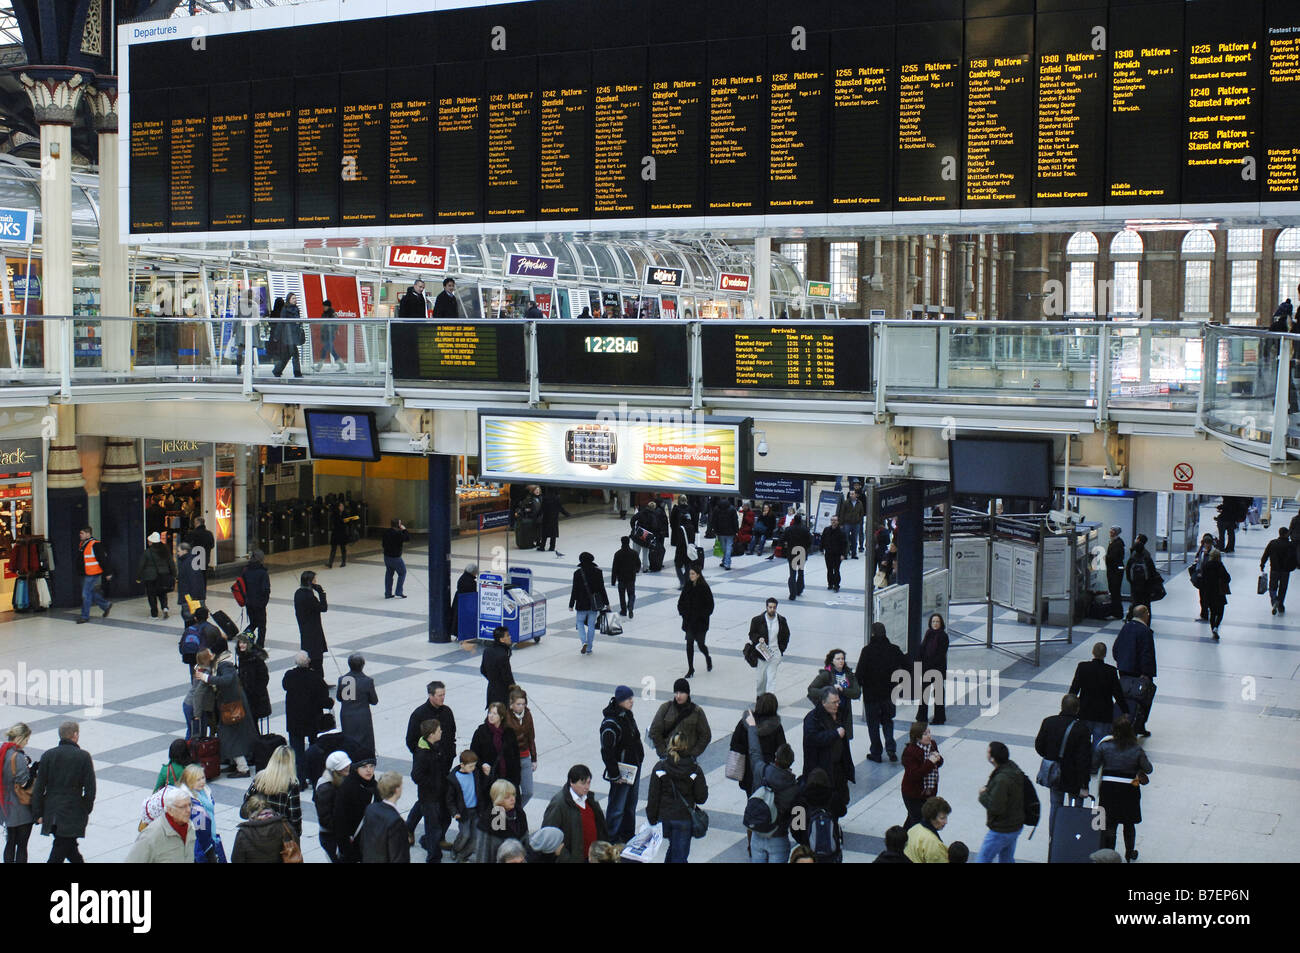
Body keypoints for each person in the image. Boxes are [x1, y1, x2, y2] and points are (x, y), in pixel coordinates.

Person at [29, 720, 96, 863]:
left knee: (69, 848)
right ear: (75, 735)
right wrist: (86, 809)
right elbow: (90, 789)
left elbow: (39, 787)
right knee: (60, 851)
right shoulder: (83, 756)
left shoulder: (48, 755)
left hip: (51, 811)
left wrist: (37, 813)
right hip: (73, 811)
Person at [1093, 714, 1153, 863]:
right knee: (1129, 823)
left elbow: (1094, 766)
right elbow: (1149, 769)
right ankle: (1129, 853)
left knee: (1110, 824)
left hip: (1108, 788)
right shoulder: (1136, 749)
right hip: (1130, 789)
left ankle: (1110, 854)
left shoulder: (1104, 746)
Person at [742, 710, 798, 863]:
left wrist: (752, 727)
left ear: (775, 757)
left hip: (758, 835)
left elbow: (754, 751)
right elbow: (796, 819)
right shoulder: (794, 787)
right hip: (778, 837)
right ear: (790, 763)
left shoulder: (761, 770)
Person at [1034, 695, 1093, 839]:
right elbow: (1084, 759)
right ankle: (1072, 837)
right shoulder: (1082, 729)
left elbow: (1039, 746)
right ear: (1077, 709)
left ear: (1061, 706)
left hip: (1055, 772)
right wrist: (1084, 784)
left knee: (1055, 805)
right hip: (1074, 776)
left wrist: (1050, 756)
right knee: (1076, 808)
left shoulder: (1048, 722)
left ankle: (1054, 838)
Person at [646, 733, 708, 863]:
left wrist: (652, 819)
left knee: (674, 850)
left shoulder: (660, 767)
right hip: (684, 819)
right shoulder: (695, 769)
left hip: (665, 818)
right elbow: (701, 798)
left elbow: (653, 796)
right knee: (679, 856)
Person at [599, 685, 644, 843]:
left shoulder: (627, 715)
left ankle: (627, 835)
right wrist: (614, 774)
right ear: (620, 701)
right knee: (617, 806)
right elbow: (607, 751)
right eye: (628, 699)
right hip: (622, 771)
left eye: (632, 698)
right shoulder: (611, 723)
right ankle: (611, 838)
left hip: (633, 768)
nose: (632, 701)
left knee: (631, 804)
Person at [283, 651, 334, 789]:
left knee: (297, 752)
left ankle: (300, 780)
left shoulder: (289, 676)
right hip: (312, 721)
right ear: (309, 662)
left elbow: (285, 686)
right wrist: (330, 702)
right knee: (314, 750)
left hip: (295, 721)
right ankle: (314, 776)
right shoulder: (315, 677)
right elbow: (323, 699)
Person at [857, 622, 906, 763]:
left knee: (873, 724)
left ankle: (876, 752)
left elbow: (860, 673)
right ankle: (891, 748)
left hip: (871, 695)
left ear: (872, 634)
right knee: (888, 721)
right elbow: (907, 665)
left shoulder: (867, 651)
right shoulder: (894, 649)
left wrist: (859, 687)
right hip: (889, 694)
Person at [801, 686, 854, 818]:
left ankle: (834, 821)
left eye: (838, 701)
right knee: (825, 800)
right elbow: (813, 739)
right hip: (822, 768)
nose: (837, 705)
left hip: (838, 767)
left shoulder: (840, 714)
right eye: (834, 702)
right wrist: (834, 734)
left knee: (841, 800)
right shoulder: (813, 718)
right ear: (824, 703)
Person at [541, 765, 610, 864]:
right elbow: (548, 836)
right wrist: (565, 856)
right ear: (571, 782)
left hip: (593, 857)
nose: (587, 787)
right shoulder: (558, 804)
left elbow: (601, 827)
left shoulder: (590, 799)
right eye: (582, 783)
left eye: (588, 782)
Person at [1069, 642, 1130, 748]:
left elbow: (1074, 689)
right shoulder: (1110, 671)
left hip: (1085, 711)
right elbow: (1118, 693)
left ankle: (1085, 762)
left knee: (1083, 742)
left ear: (1093, 652)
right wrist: (1125, 710)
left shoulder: (1083, 667)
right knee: (1099, 743)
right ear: (1105, 654)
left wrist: (1069, 708)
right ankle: (1095, 763)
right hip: (1103, 714)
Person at [975, 741, 1026, 863]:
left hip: (1002, 829)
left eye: (988, 751)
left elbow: (996, 807)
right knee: (1007, 858)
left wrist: (983, 795)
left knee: (982, 859)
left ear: (993, 758)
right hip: (1015, 824)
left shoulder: (1002, 779)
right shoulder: (1013, 769)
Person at [729, 692, 786, 796]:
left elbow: (735, 744)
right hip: (769, 771)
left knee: (752, 800)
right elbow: (782, 748)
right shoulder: (776, 727)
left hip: (748, 770)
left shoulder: (745, 723)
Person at [1113, 606, 1157, 738]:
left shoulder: (1126, 627)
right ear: (1144, 614)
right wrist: (1146, 673)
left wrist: (1120, 662)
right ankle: (1139, 725)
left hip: (1124, 669)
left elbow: (1116, 648)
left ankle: (1122, 724)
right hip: (1139, 672)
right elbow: (1146, 654)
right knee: (1143, 699)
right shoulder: (1145, 631)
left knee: (1124, 697)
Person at [244, 745, 303, 837]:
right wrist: (296, 835)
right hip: (278, 832)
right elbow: (295, 816)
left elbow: (247, 800)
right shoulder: (292, 784)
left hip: (257, 827)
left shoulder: (260, 777)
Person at [410, 720, 449, 862]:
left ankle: (428, 842)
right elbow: (416, 776)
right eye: (439, 730)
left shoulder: (435, 746)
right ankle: (433, 857)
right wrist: (433, 784)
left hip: (439, 793)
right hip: (429, 796)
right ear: (432, 734)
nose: (441, 732)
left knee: (444, 820)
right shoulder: (423, 754)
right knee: (433, 827)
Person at [126, 787, 195, 863]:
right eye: (183, 807)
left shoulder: (190, 828)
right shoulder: (151, 836)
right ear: (170, 810)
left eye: (189, 805)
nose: (188, 810)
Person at [650, 678, 712, 760]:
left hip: (687, 759)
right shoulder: (665, 708)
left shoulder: (697, 711)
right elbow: (654, 731)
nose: (678, 696)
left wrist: (693, 754)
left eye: (682, 692)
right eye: (676, 692)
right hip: (668, 758)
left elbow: (706, 735)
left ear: (688, 693)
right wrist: (663, 752)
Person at [790, 767, 842, 862]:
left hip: (809, 850)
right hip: (831, 851)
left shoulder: (801, 799)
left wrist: (805, 841)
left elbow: (795, 828)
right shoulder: (833, 796)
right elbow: (842, 811)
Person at [900, 722, 943, 830]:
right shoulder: (910, 752)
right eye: (925, 734)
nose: (929, 736)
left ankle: (901, 838)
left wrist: (938, 759)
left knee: (913, 819)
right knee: (919, 822)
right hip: (913, 794)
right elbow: (915, 775)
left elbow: (939, 763)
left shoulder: (932, 744)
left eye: (929, 732)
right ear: (917, 737)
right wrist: (930, 762)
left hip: (929, 792)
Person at [2, 723, 35, 863]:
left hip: (6, 804)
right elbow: (24, 782)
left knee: (10, 842)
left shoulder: (3, 752)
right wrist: (33, 772)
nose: (27, 742)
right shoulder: (18, 757)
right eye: (27, 739)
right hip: (20, 806)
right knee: (22, 845)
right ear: (21, 738)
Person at [231, 793, 297, 863]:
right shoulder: (285, 827)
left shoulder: (243, 834)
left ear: (250, 813)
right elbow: (295, 848)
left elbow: (236, 859)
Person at [474, 778, 528, 864]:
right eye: (507, 797)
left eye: (513, 794)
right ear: (497, 799)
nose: (512, 799)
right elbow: (483, 853)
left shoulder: (519, 813)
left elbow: (526, 843)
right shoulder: (490, 819)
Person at [471, 702, 522, 793]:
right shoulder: (481, 732)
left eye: (495, 714)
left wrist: (517, 780)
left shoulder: (509, 733)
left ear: (501, 717)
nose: (491, 716)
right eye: (490, 713)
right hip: (490, 778)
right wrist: (481, 764)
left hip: (508, 778)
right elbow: (473, 753)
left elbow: (516, 756)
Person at [336, 757, 379, 863]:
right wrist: (347, 850)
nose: (369, 770)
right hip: (353, 847)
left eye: (371, 766)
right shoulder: (347, 788)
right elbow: (340, 821)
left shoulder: (376, 787)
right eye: (364, 767)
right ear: (356, 769)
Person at [361, 772, 410, 863]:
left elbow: (364, 841)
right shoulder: (396, 821)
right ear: (397, 790)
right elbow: (398, 856)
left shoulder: (371, 809)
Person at [179, 763, 224, 863]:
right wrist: (209, 847)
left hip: (209, 835)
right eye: (197, 780)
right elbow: (201, 829)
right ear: (189, 781)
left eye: (202, 778)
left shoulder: (205, 791)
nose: (202, 782)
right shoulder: (190, 802)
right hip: (199, 841)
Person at [338, 654, 379, 760]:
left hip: (347, 715)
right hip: (362, 716)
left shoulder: (343, 679)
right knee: (365, 741)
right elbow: (374, 701)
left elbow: (339, 697)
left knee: (348, 740)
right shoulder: (367, 681)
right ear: (362, 665)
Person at [569, 551, 610, 656]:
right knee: (591, 625)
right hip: (594, 604)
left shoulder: (577, 573)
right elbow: (602, 589)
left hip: (581, 603)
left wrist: (571, 604)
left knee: (580, 622)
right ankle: (589, 648)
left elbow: (574, 589)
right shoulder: (598, 572)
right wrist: (607, 603)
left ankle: (584, 642)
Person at [748, 598, 790, 696]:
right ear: (766, 607)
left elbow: (786, 635)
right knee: (761, 679)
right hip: (762, 653)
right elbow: (751, 634)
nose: (772, 609)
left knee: (771, 678)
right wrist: (758, 639)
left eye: (774, 607)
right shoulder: (757, 620)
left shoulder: (781, 620)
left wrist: (781, 649)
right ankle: (760, 696)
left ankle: (769, 698)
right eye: (770, 607)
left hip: (775, 652)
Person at [677, 566, 715, 677]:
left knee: (700, 644)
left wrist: (703, 615)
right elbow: (681, 601)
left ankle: (707, 657)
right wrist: (683, 612)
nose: (691, 576)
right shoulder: (688, 586)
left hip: (700, 622)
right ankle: (691, 668)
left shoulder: (704, 587)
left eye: (693, 574)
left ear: (698, 575)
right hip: (689, 621)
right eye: (690, 574)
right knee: (689, 643)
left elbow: (710, 605)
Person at [504, 687, 537, 808]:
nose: (521, 706)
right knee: (512, 792)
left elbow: (531, 737)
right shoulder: (506, 717)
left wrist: (534, 758)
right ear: (511, 704)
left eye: (523, 704)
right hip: (512, 759)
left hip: (525, 756)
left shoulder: (527, 715)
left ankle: (516, 811)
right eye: (518, 704)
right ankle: (511, 813)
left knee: (528, 792)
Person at [916, 612, 949, 724]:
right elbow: (922, 648)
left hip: (937, 668)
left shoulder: (943, 636)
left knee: (938, 693)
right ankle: (921, 716)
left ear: (941, 623)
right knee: (924, 692)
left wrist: (929, 664)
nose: (935, 624)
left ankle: (939, 718)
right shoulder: (928, 633)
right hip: (927, 668)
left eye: (937, 622)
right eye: (933, 621)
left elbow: (941, 654)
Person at [75, 526, 113, 624]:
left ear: (88, 534)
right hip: (85, 573)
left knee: (85, 594)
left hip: (92, 573)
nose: (80, 535)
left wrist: (108, 572)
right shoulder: (83, 544)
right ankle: (106, 605)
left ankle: (85, 616)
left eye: (82, 533)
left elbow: (102, 559)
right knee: (89, 592)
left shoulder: (95, 544)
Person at [294, 570, 329, 677]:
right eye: (314, 580)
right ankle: (318, 680)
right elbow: (323, 608)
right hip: (313, 631)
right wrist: (321, 593)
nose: (316, 582)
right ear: (310, 582)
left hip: (304, 629)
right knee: (316, 658)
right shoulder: (309, 596)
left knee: (309, 656)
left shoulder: (298, 593)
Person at [137, 531, 176, 619]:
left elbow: (141, 565)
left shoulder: (147, 552)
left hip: (150, 577)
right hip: (163, 575)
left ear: (151, 542)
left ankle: (154, 614)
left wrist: (138, 577)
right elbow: (171, 563)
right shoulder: (165, 550)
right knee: (162, 593)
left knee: (152, 595)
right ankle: (165, 608)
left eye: (149, 541)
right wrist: (174, 574)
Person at [236, 633, 271, 730]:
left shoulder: (256, 659)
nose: (241, 645)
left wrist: (255, 692)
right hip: (245, 696)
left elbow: (264, 678)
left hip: (255, 699)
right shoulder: (243, 657)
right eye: (240, 642)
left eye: (244, 642)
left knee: (253, 725)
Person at [904, 797, 951, 863]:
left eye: (946, 817)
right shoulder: (934, 844)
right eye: (942, 818)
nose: (946, 822)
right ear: (932, 817)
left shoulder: (913, 829)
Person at [239, 550, 271, 648]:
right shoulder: (262, 572)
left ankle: (244, 638)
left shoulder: (246, 570)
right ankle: (260, 645)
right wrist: (264, 602)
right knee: (262, 626)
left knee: (253, 623)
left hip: (249, 602)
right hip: (259, 603)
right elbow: (266, 589)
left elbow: (242, 586)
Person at [1261, 525, 1295, 615]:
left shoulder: (1272, 543)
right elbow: (1294, 558)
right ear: (1286, 534)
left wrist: (1262, 564)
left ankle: (1274, 600)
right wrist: (1294, 566)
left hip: (1274, 569)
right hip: (1285, 570)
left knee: (1272, 587)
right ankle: (1280, 604)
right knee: (1283, 588)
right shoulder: (1290, 545)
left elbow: (1266, 554)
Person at [1124, 535, 1159, 621]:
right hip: (1146, 587)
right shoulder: (1147, 557)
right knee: (1146, 605)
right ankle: (1146, 623)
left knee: (1135, 603)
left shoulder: (1132, 559)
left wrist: (1132, 583)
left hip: (1135, 586)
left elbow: (1128, 573)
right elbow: (1153, 572)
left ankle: (1133, 620)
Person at [270, 291, 304, 378]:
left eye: (295, 298)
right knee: (295, 354)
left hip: (294, 334)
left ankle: (277, 370)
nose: (295, 300)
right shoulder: (285, 309)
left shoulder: (296, 309)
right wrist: (277, 336)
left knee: (287, 355)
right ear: (289, 299)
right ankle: (297, 373)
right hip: (288, 335)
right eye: (293, 298)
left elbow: (298, 322)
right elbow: (281, 322)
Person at [480, 625, 515, 708]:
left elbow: (483, 670)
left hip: (491, 690)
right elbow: (507, 676)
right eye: (507, 635)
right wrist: (514, 687)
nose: (510, 637)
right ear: (502, 639)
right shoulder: (503, 655)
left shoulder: (487, 650)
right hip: (503, 693)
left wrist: (493, 680)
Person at [1200, 549, 1231, 640]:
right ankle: (1216, 627)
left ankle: (1213, 628)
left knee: (1213, 613)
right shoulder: (1220, 566)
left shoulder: (1206, 566)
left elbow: (1203, 579)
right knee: (1220, 612)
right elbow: (1227, 578)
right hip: (1219, 593)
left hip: (1209, 593)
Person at [670, 495, 698, 585]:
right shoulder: (691, 510)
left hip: (680, 545)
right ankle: (686, 580)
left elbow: (672, 522)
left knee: (677, 564)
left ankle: (682, 581)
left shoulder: (676, 510)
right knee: (688, 563)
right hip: (689, 545)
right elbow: (695, 521)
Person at [610, 536, 640, 617]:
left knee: (622, 595)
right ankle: (630, 607)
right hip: (631, 577)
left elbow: (614, 568)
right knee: (631, 594)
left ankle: (623, 610)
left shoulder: (618, 554)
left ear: (621, 542)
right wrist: (636, 570)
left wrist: (613, 580)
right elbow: (638, 564)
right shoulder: (634, 553)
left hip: (621, 578)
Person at [1190, 533, 1217, 622]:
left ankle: (1206, 613)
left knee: (1206, 597)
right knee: (1203, 597)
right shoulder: (1201, 551)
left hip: (1209, 579)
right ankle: (1204, 613)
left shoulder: (1213, 553)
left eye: (1208, 543)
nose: (1207, 545)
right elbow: (1198, 560)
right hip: (1202, 578)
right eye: (1205, 543)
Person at [784, 514, 811, 600]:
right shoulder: (805, 530)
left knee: (792, 574)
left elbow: (782, 539)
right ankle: (799, 589)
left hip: (792, 553)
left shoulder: (789, 529)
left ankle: (792, 593)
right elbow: (810, 541)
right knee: (801, 572)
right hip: (802, 552)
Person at [382, 518, 410, 599]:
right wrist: (404, 530)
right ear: (398, 525)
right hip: (396, 557)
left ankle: (388, 593)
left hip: (387, 556)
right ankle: (399, 591)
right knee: (402, 572)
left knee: (389, 574)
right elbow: (407, 538)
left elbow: (383, 544)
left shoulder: (386, 532)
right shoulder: (398, 533)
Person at [630, 499, 661, 572]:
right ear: (654, 508)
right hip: (646, 537)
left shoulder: (641, 512)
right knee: (645, 553)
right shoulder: (654, 515)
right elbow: (655, 526)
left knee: (636, 552)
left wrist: (633, 528)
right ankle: (645, 568)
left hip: (638, 535)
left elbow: (633, 519)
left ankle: (635, 567)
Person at [313, 299, 344, 371]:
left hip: (330, 335)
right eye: (323, 306)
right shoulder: (324, 313)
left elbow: (336, 324)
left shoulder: (332, 314)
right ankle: (341, 365)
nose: (324, 307)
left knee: (325, 350)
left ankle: (319, 367)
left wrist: (331, 330)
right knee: (331, 350)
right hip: (325, 335)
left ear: (328, 306)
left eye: (325, 306)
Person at [450, 563, 478, 638]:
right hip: (465, 603)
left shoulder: (463, 577)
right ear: (473, 572)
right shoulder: (471, 582)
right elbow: (472, 594)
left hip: (459, 600)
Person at [1104, 525, 1126, 619]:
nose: (1110, 531)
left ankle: (1117, 613)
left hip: (1115, 571)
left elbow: (1114, 557)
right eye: (1111, 529)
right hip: (1114, 570)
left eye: (1112, 530)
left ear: (1116, 532)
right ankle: (1116, 612)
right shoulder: (1114, 542)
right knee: (1114, 592)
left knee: (1115, 592)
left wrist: (1105, 557)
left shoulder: (1117, 543)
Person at [537, 487, 568, 553]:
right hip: (554, 518)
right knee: (553, 533)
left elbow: (541, 509)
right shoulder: (556, 498)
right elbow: (560, 508)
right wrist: (567, 514)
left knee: (544, 533)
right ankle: (552, 547)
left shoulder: (545, 498)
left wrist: (536, 516)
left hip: (546, 518)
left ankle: (542, 547)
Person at [820, 514, 847, 591]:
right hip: (828, 553)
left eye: (835, 520)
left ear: (838, 522)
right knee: (829, 569)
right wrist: (821, 549)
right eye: (832, 520)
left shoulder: (841, 532)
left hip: (837, 554)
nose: (833, 522)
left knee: (836, 569)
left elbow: (844, 544)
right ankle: (830, 583)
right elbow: (823, 539)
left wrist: (843, 554)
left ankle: (836, 585)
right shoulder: (826, 530)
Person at [838, 488, 865, 557]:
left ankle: (854, 553)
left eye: (853, 494)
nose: (851, 495)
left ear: (856, 495)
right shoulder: (846, 502)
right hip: (847, 523)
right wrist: (841, 523)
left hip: (856, 523)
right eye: (850, 494)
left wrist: (859, 520)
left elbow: (861, 513)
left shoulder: (859, 503)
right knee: (846, 539)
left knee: (854, 539)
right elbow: (842, 513)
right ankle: (846, 553)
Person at [713, 498, 739, 570]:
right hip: (730, 532)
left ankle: (725, 561)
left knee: (724, 548)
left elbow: (714, 520)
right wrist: (736, 530)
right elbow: (735, 521)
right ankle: (727, 563)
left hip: (720, 532)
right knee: (728, 547)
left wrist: (715, 530)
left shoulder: (716, 509)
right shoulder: (732, 509)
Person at [326, 500, 350, 569]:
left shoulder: (345, 513)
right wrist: (342, 521)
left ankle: (343, 562)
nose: (342, 507)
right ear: (338, 507)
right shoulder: (334, 514)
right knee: (333, 548)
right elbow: (335, 522)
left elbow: (347, 522)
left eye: (343, 506)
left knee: (343, 548)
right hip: (336, 533)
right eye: (341, 506)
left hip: (342, 533)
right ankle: (330, 563)